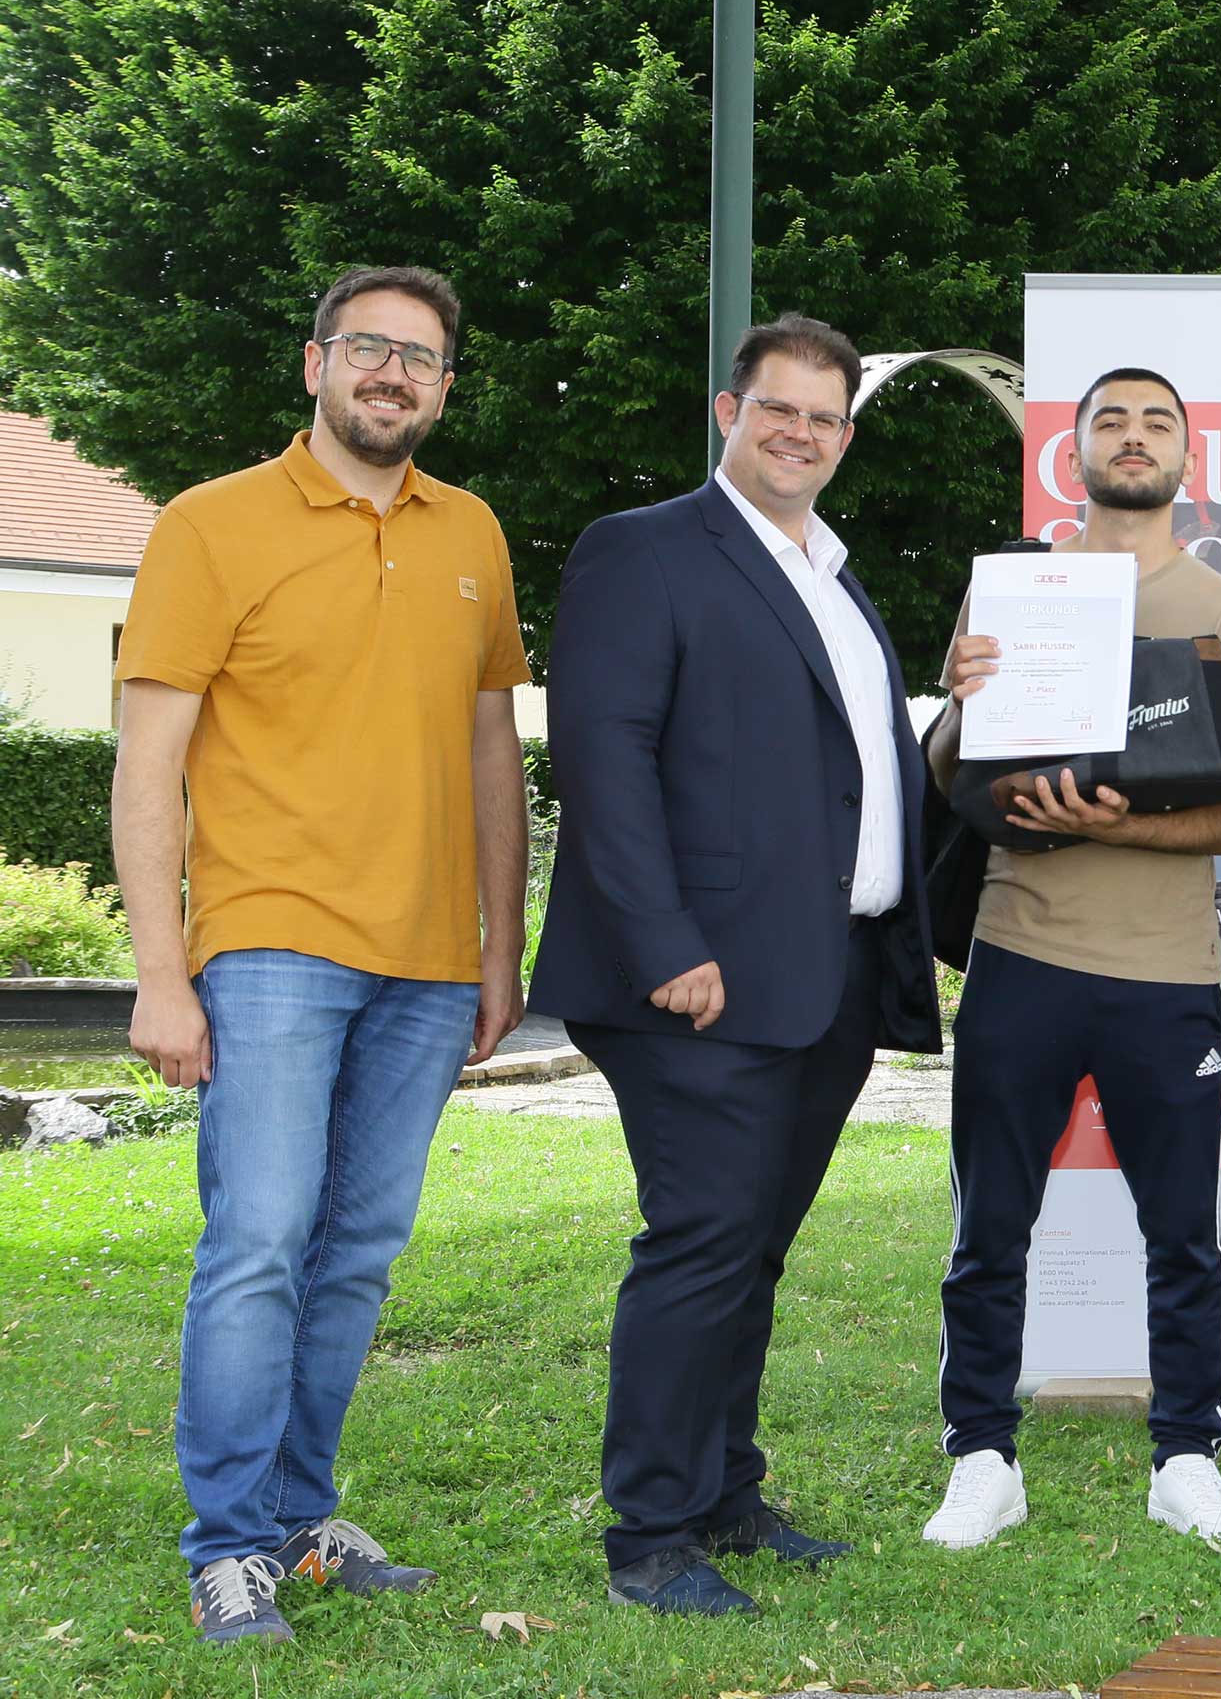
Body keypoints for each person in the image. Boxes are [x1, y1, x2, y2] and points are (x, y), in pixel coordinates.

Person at [113, 265, 531, 1646]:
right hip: (271, 943)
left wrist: (499, 945)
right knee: (260, 1244)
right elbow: (151, 763)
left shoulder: (471, 530)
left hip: (424, 965)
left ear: (445, 387)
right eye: (369, 349)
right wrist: (162, 973)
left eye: (421, 358)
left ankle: (300, 1517)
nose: (393, 375)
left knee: (356, 1251)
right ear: (315, 364)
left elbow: (489, 753)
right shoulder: (209, 526)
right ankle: (227, 1545)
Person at [530, 314, 944, 1616]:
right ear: (729, 411)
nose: (801, 435)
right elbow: (606, 758)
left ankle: (724, 1494)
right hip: (697, 982)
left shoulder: (831, 569)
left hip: (823, 976)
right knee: (703, 1242)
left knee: (751, 1249)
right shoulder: (644, 552)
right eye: (779, 410)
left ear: (846, 437)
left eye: (825, 419)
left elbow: (840, 765)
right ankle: (650, 1538)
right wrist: (668, 950)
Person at [917, 368, 1221, 1550]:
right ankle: (981, 1458)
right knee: (988, 1231)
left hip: (1167, 973)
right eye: (1109, 422)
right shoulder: (1011, 593)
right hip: (1020, 952)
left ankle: (1185, 1458)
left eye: (1156, 421)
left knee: (1182, 1235)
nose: (1132, 438)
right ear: (1070, 456)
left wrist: (1111, 823)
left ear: (1185, 455)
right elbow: (946, 779)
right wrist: (963, 699)